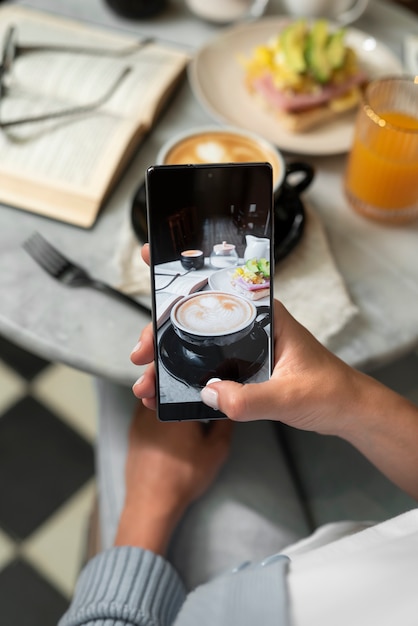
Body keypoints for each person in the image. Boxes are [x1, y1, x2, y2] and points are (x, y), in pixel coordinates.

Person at [59, 245, 418, 626]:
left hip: (226, 598)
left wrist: (148, 505)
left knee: (116, 386)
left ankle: (96, 535)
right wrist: (353, 400)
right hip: (331, 558)